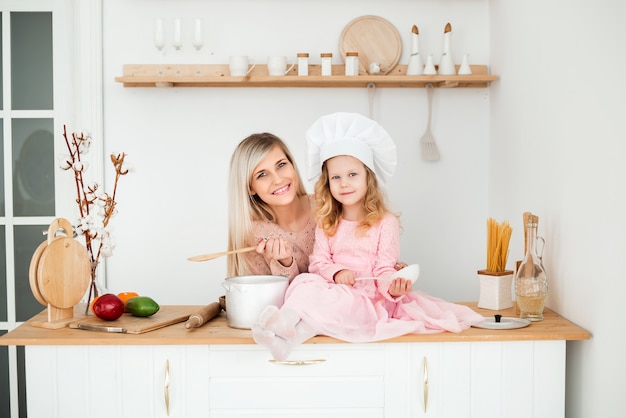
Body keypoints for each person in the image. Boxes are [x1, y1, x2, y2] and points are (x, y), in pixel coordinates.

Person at [252, 112, 484, 361]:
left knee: (334, 305)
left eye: (352, 175)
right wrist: (338, 273)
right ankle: (284, 333)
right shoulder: (328, 221)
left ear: (368, 178)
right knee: (302, 283)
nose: (344, 184)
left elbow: (385, 269)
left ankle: (287, 333)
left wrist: (394, 288)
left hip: (367, 300)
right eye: (336, 177)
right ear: (327, 183)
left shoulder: (385, 223)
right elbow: (318, 263)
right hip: (335, 290)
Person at [227, 132, 315, 280]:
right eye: (262, 174)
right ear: (250, 188)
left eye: (281, 165)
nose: (278, 179)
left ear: (292, 165)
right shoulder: (253, 237)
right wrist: (284, 264)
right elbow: (273, 301)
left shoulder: (329, 206)